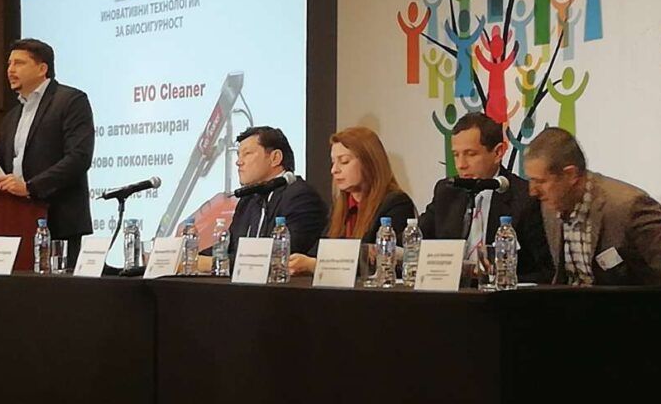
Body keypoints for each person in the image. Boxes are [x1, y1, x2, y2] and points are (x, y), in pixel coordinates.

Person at [0, 39, 94, 265]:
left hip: (59, 222)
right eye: (9, 64)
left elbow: (79, 158)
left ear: (42, 68)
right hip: (14, 220)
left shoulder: (70, 101)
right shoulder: (12, 116)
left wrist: (30, 187)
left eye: (19, 63)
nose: (10, 70)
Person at [524, 127, 661, 287]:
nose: (532, 191)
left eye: (540, 181)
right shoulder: (551, 205)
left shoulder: (629, 208)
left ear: (570, 175)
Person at [419, 112, 554, 283]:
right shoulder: (447, 191)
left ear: (498, 152)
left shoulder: (524, 197)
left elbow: (545, 273)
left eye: (470, 154)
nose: (461, 165)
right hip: (451, 293)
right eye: (456, 155)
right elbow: (416, 239)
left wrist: (497, 278)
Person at [289, 126, 416, 275]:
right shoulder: (340, 208)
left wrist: (315, 265)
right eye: (333, 162)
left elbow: (380, 263)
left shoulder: (396, 204)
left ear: (369, 162)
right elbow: (318, 252)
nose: (334, 170)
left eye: (344, 161)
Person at [224, 126, 327, 261]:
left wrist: (214, 262)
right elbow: (228, 247)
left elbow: (281, 256)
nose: (238, 162)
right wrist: (198, 258)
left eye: (247, 153)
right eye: (238, 155)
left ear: (275, 158)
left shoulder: (301, 197)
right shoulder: (248, 199)